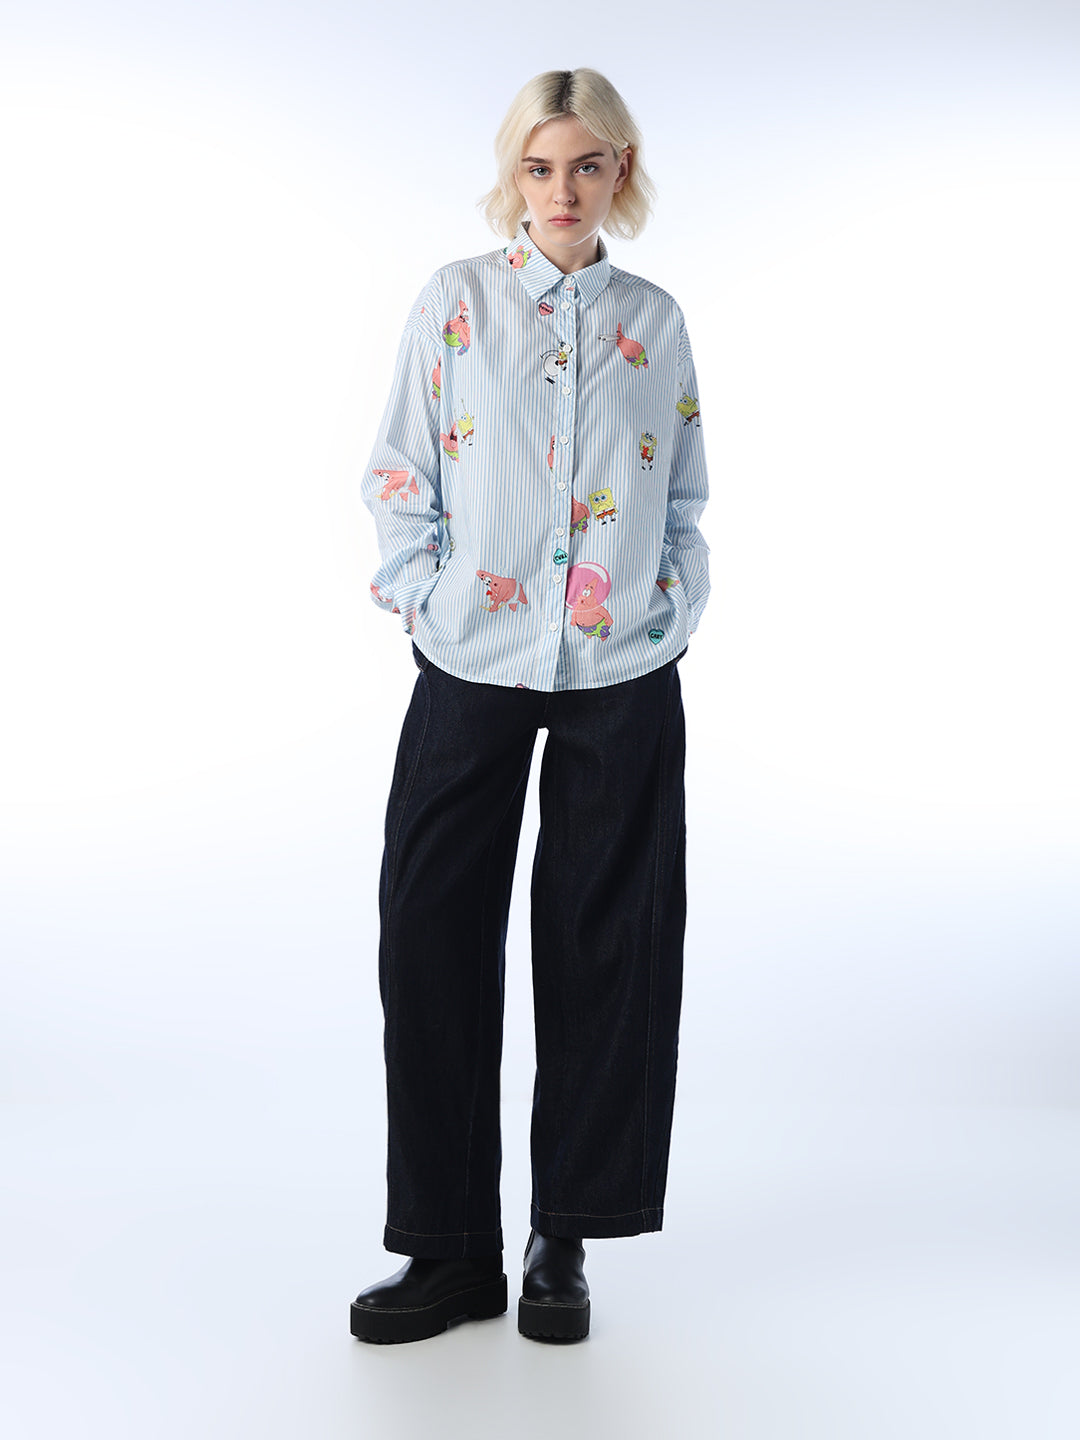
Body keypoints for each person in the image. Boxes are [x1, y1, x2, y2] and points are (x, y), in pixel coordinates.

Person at [349, 66, 710, 1345]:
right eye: (541, 167)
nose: (563, 192)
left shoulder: (655, 321)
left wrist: (670, 602)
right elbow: (401, 472)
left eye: (588, 166)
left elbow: (682, 490)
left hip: (621, 672)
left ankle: (566, 1238)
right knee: (430, 939)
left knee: (610, 951)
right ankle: (450, 1250)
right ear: (516, 174)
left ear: (621, 172)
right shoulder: (454, 305)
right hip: (472, 661)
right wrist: (426, 600)